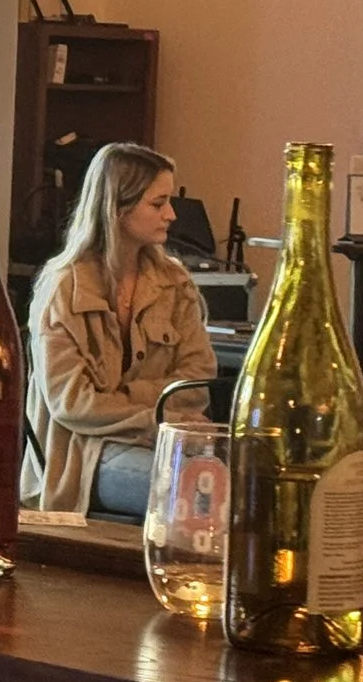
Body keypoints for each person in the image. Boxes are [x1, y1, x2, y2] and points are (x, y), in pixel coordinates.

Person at [21, 142, 218, 520]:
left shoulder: (174, 282)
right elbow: (73, 403)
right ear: (117, 208)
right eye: (157, 204)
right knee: (195, 490)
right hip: (81, 457)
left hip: (164, 443)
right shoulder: (64, 287)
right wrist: (157, 416)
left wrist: (124, 401)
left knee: (247, 479)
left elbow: (196, 385)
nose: (172, 215)